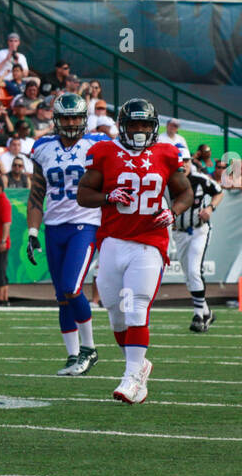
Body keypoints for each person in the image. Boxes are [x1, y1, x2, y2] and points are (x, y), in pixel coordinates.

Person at [76, 98, 193, 403]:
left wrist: (174, 211)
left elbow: (185, 192)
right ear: (123, 125)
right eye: (134, 124)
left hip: (149, 243)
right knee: (115, 315)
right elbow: (83, 194)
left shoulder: (167, 152)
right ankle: (139, 366)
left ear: (153, 127)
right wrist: (107, 196)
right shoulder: (104, 151)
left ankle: (131, 379)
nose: (139, 130)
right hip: (113, 241)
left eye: (145, 124)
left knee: (135, 307)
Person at [26, 92, 108, 375]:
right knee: (62, 295)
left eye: (76, 116)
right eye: (66, 117)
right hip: (53, 226)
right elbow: (37, 193)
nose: (72, 122)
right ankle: (73, 356)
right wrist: (33, 231)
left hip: (85, 223)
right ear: (57, 119)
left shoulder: (98, 144)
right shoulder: (42, 146)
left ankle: (90, 349)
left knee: (73, 288)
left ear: (84, 119)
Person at [171, 167, 224, 332]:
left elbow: (219, 192)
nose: (184, 165)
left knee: (194, 271)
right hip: (178, 233)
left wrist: (210, 208)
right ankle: (207, 312)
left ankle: (198, 315)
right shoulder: (166, 180)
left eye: (186, 160)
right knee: (189, 275)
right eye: (180, 161)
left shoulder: (199, 179)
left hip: (198, 230)